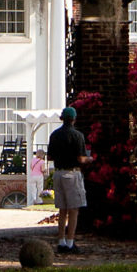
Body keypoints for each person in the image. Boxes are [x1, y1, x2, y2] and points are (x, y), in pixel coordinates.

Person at [46, 105, 91, 253]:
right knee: (73, 210)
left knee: (62, 210)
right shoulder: (77, 136)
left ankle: (61, 241)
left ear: (62, 118)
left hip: (58, 173)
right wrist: (90, 159)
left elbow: (50, 156)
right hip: (72, 173)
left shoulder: (54, 135)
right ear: (74, 119)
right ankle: (70, 242)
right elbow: (81, 158)